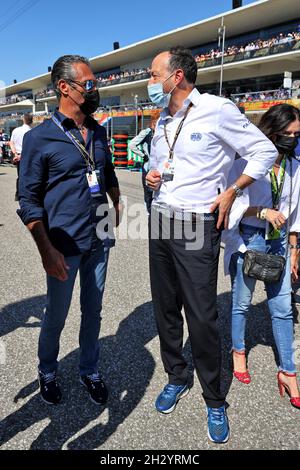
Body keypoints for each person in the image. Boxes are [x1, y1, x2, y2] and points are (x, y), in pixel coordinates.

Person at [145, 46, 278, 444]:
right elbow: (161, 164)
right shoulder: (162, 120)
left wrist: (233, 192)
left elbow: (264, 151)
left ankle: (214, 398)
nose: (150, 82)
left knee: (201, 316)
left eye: (154, 75)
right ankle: (176, 376)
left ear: (178, 76)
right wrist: (152, 178)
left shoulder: (218, 109)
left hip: (197, 224)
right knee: (165, 307)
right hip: (160, 219)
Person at [17, 55, 121, 406]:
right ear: (65, 88)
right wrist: (47, 250)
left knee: (93, 310)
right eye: (89, 84)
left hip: (100, 238)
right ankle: (47, 369)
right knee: (56, 313)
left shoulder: (99, 130)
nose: (96, 90)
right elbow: (28, 201)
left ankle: (89, 368)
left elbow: (106, 174)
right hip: (63, 244)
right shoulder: (39, 138)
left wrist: (117, 202)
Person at [223, 104, 300, 409]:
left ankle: (289, 371)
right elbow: (233, 204)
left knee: (282, 308)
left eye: (297, 134)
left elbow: (296, 214)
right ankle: (238, 351)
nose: (293, 139)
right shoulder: (248, 161)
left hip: (279, 241)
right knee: (241, 303)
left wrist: (295, 250)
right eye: (287, 133)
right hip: (249, 237)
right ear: (271, 131)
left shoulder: (295, 165)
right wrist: (262, 211)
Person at [128, 115, 159, 213]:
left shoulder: (163, 132)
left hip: (161, 168)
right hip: (148, 167)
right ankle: (148, 213)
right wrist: (143, 155)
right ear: (153, 122)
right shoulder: (146, 132)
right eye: (156, 122)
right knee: (148, 192)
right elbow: (131, 144)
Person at [9, 113, 33, 201]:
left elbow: (11, 143)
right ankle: (28, 195)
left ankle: (18, 194)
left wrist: (15, 154)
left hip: (17, 155)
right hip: (28, 155)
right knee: (30, 175)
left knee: (20, 175)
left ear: (23, 120)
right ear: (31, 121)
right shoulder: (32, 131)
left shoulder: (16, 130)